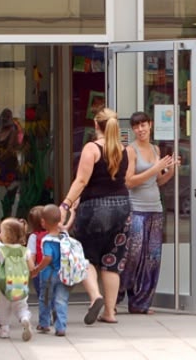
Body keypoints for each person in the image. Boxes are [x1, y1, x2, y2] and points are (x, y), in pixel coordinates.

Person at [60, 108, 135, 325]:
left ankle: (95, 296)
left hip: (94, 207)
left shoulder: (91, 148)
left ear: (96, 125)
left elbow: (81, 181)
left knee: (85, 256)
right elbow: (125, 180)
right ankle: (110, 312)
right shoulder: (126, 150)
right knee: (113, 260)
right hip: (123, 208)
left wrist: (66, 203)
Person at [117, 111, 178, 315]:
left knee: (152, 258)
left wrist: (170, 170)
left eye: (143, 125)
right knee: (132, 256)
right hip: (136, 209)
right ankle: (115, 296)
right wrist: (156, 168)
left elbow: (158, 181)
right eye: (136, 126)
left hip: (155, 209)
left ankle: (140, 303)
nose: (140, 129)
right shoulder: (130, 150)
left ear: (150, 125)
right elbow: (129, 181)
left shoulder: (155, 148)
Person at [30, 204, 76, 336]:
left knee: (45, 298)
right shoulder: (65, 235)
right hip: (64, 274)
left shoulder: (47, 240)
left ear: (43, 222)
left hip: (48, 275)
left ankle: (44, 324)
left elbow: (48, 258)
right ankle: (61, 327)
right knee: (61, 300)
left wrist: (37, 268)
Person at [25, 205, 46, 308]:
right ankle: (55, 309)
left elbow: (31, 256)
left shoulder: (34, 237)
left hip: (40, 270)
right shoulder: (56, 234)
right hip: (56, 269)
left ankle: (46, 315)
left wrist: (32, 270)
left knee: (42, 295)